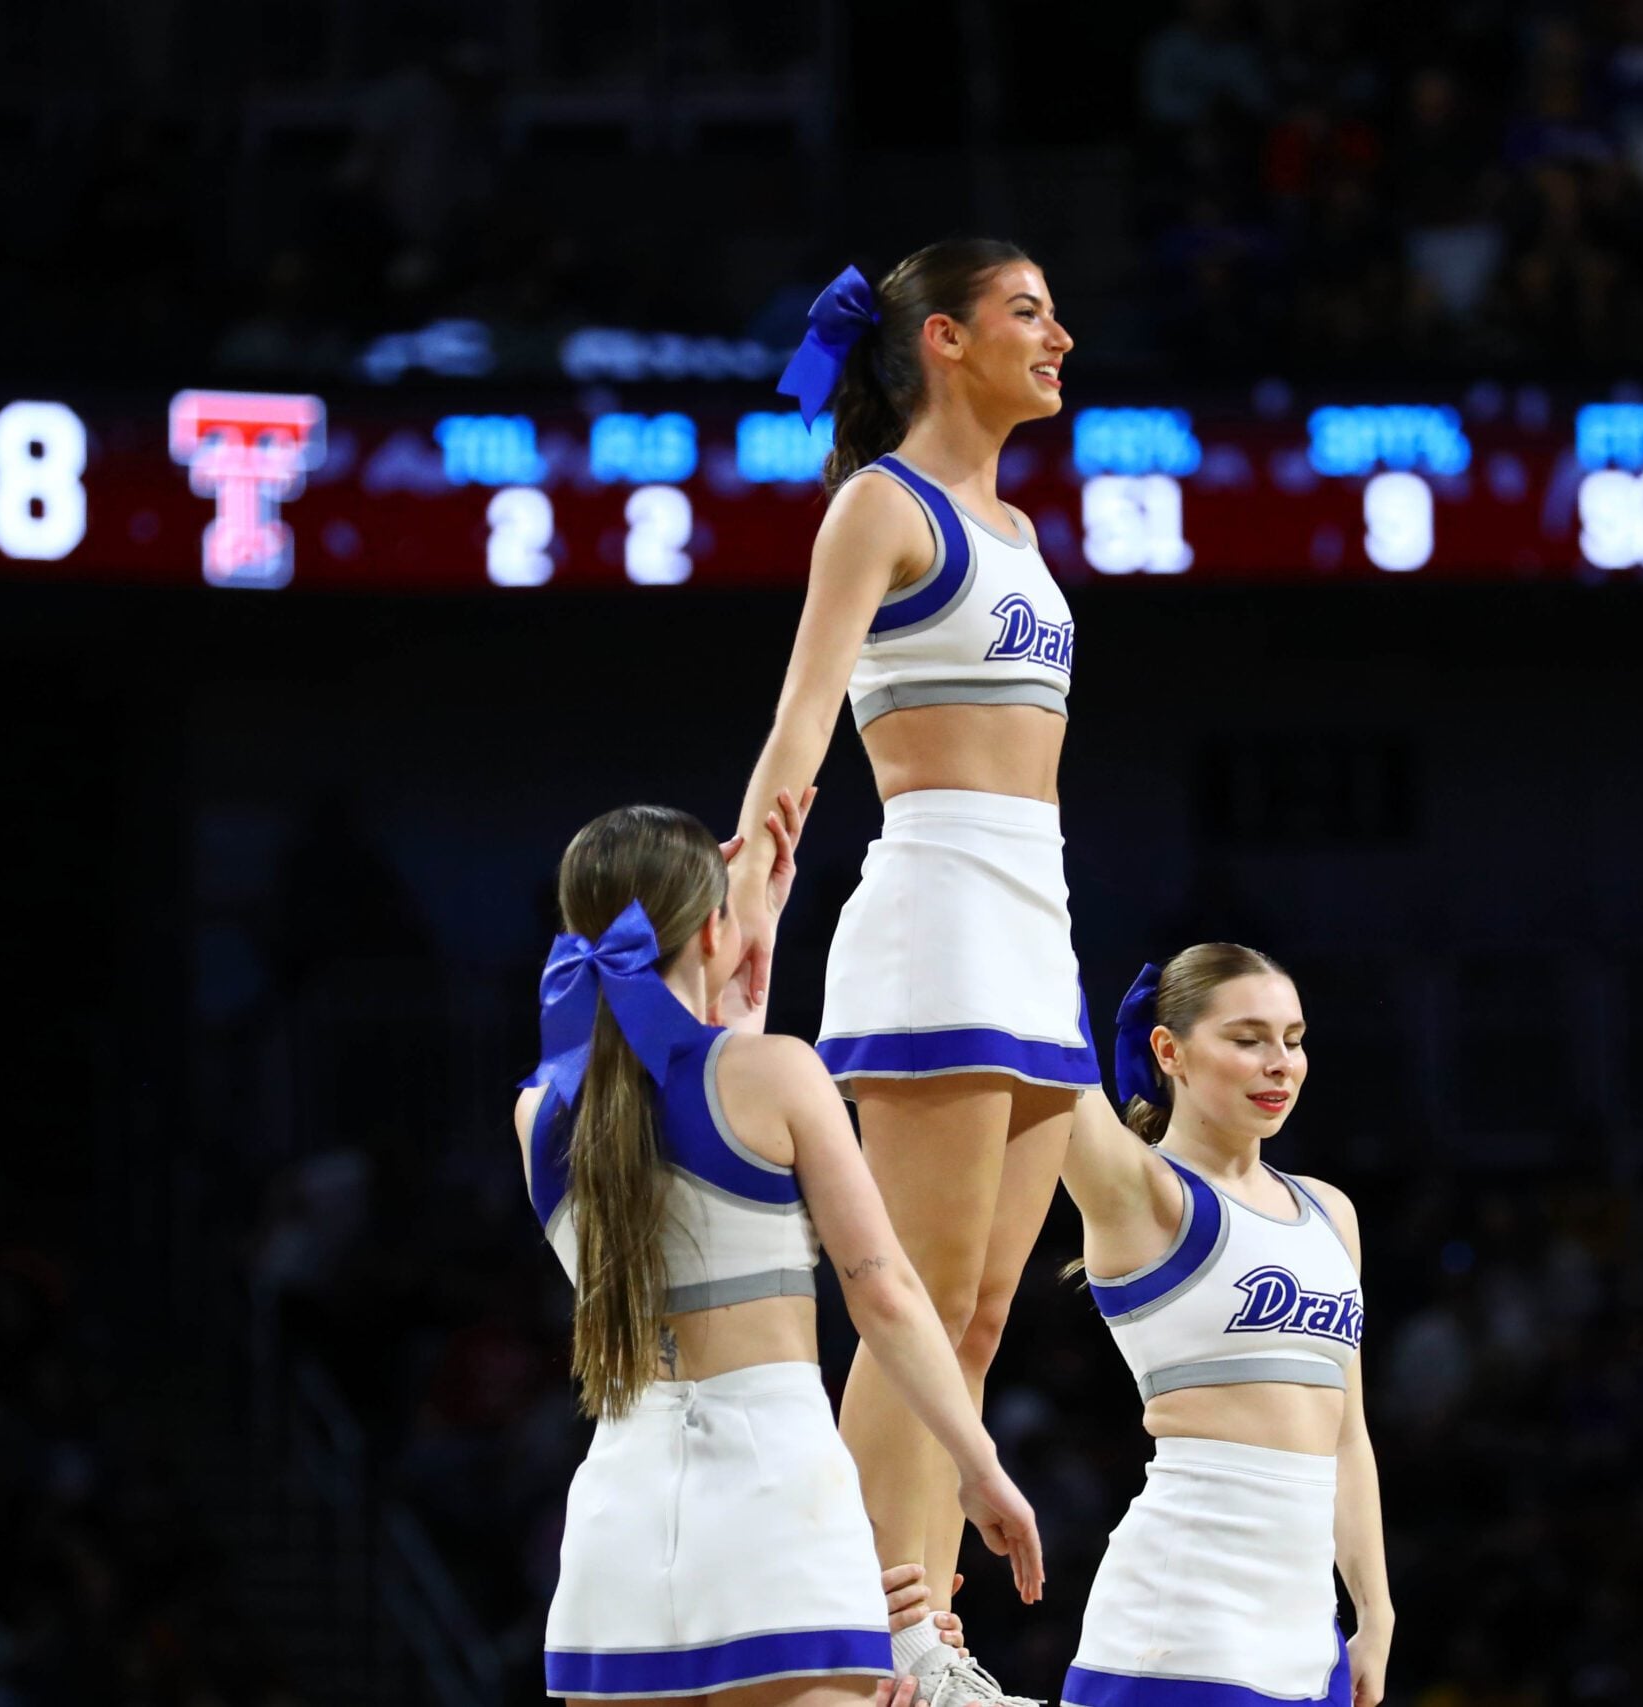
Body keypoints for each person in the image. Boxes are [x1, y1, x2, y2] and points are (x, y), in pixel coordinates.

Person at [727, 239, 1086, 1702]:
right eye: (1028, 311)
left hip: (1039, 921)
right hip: (932, 910)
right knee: (920, 1300)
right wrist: (749, 886)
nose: (1060, 335)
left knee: (987, 1312)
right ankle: (879, 1615)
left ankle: (926, 1618)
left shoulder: (1017, 526)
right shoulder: (881, 505)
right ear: (942, 339)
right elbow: (802, 717)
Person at [516, 801, 1043, 1702]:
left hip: (618, 1524)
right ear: (713, 925)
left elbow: (677, 1102)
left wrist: (733, 970)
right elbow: (887, 1296)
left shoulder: (538, 1113)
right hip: (775, 1508)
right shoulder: (777, 1075)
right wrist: (978, 1465)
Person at [1056, 946, 1394, 1707]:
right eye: (1247, 1039)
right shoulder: (1142, 1192)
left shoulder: (1330, 1211)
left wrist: (1373, 1607)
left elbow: (1347, 1434)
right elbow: (1055, 1053)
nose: (1279, 1063)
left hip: (1310, 1634)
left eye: (1294, 1038)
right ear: (1168, 1050)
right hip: (1183, 1622)